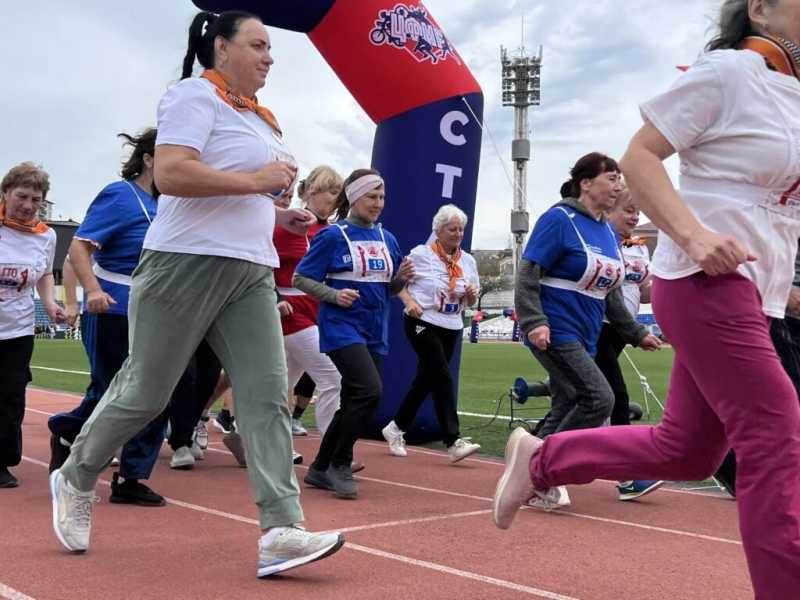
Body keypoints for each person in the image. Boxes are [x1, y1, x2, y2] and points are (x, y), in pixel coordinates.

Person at [492, 1, 800, 595]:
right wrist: (692, 233)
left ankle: (540, 460)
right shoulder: (728, 72)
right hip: (706, 283)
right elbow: (639, 156)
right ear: (759, 9)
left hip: (757, 296)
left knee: (687, 452)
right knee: (775, 429)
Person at [49, 10, 344, 577]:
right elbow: (175, 175)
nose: (269, 57)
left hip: (251, 270)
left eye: (271, 49)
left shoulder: (263, 119)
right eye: (258, 45)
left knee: (265, 397)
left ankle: (282, 528)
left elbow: (239, 192)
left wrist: (281, 214)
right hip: (182, 263)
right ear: (221, 47)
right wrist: (261, 182)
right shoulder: (192, 96)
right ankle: (78, 472)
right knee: (145, 392)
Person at [513, 153, 661, 507]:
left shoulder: (608, 233)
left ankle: (528, 470)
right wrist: (535, 321)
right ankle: (543, 470)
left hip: (587, 333)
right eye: (611, 178)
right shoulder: (559, 219)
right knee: (600, 398)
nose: (618, 185)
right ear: (586, 183)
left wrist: (636, 333)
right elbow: (528, 274)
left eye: (619, 179)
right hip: (555, 329)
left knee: (567, 402)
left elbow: (610, 295)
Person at [46, 129, 168, 507]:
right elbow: (79, 247)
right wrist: (91, 291)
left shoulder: (172, 205)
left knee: (155, 393)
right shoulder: (120, 195)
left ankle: (132, 476)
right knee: (110, 392)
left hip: (156, 310)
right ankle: (67, 430)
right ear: (149, 158)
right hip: (113, 307)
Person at [294, 168, 414, 499]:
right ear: (354, 197)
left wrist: (401, 279)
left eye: (382, 197)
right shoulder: (333, 236)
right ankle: (340, 463)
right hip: (341, 326)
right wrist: (334, 295)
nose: (378, 204)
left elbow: (388, 289)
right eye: (371, 197)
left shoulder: (387, 239)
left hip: (375, 329)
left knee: (354, 398)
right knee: (369, 391)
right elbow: (301, 278)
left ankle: (319, 467)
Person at [382, 204, 482, 463]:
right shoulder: (421, 254)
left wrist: (471, 296)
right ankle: (453, 440)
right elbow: (397, 284)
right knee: (442, 376)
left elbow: (470, 300)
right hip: (421, 320)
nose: (458, 234)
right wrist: (409, 302)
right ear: (438, 231)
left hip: (451, 324)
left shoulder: (467, 261)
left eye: (461, 229)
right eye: (452, 229)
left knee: (425, 380)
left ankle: (395, 428)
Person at [594, 188, 664, 501]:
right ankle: (627, 476)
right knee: (616, 397)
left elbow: (645, 290)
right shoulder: (602, 241)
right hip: (599, 326)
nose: (635, 217)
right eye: (628, 210)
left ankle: (531, 449)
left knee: (577, 401)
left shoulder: (638, 247)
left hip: (621, 331)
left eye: (637, 211)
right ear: (609, 212)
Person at [0, 162, 63, 488]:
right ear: (6, 193)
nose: (27, 205)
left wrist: (50, 303)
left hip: (17, 328)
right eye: (21, 196)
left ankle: (3, 461)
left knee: (10, 395)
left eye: (35, 199)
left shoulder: (46, 236)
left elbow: (46, 273)